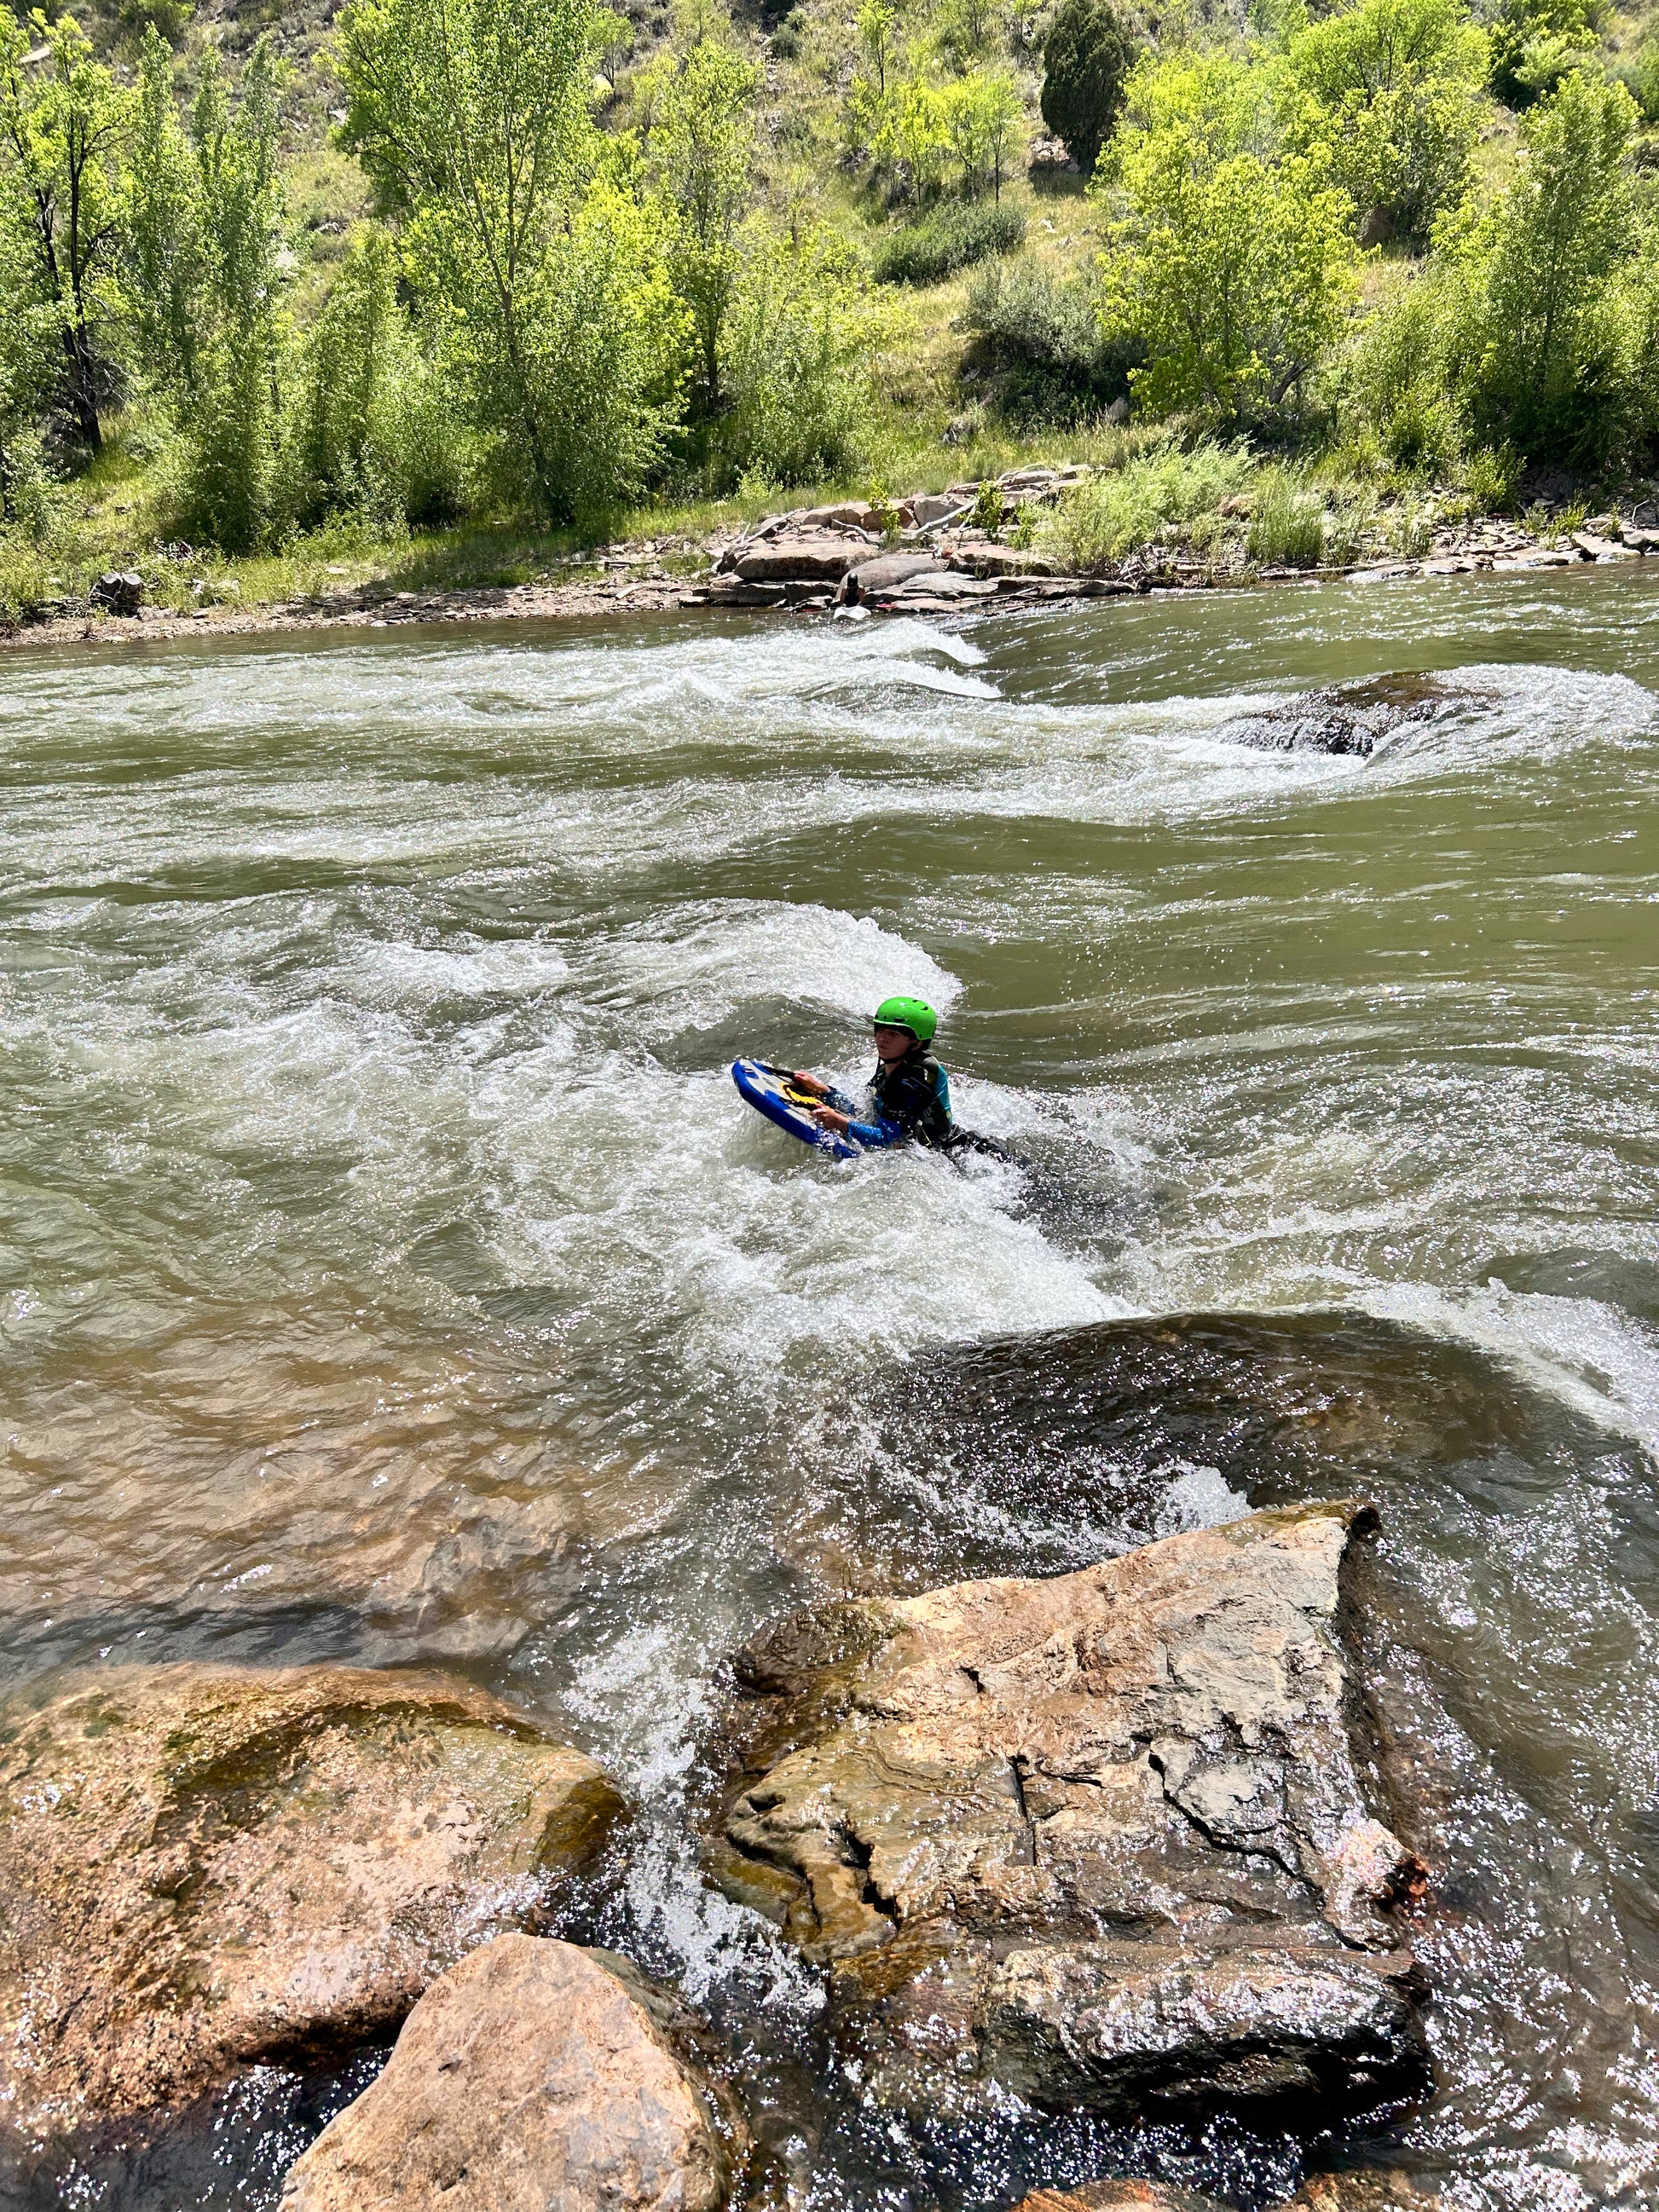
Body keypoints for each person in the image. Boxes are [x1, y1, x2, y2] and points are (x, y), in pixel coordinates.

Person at [790, 996, 957, 1150]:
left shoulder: (911, 1081)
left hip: (946, 1155)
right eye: (880, 1030)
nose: (882, 1039)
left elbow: (887, 1139)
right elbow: (865, 1113)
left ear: (917, 1043)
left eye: (893, 1034)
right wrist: (823, 1091)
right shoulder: (888, 1069)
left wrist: (839, 1122)